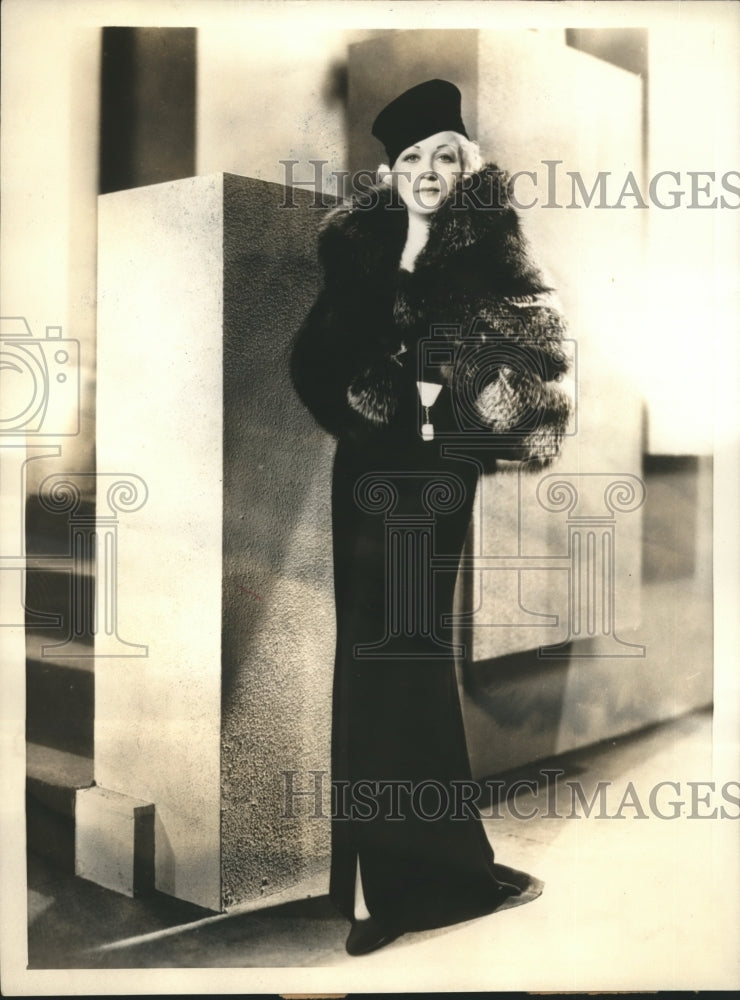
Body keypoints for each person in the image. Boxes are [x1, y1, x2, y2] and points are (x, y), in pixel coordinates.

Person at [291, 79, 572, 956]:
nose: (428, 171)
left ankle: (424, 879)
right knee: (370, 654)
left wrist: (450, 421)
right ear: (391, 171)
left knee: (407, 659)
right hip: (368, 476)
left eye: (444, 154)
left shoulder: (491, 245)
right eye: (411, 158)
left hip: (435, 481)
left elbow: (539, 369)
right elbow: (315, 361)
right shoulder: (361, 247)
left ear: (466, 165)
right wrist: (374, 409)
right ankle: (382, 882)